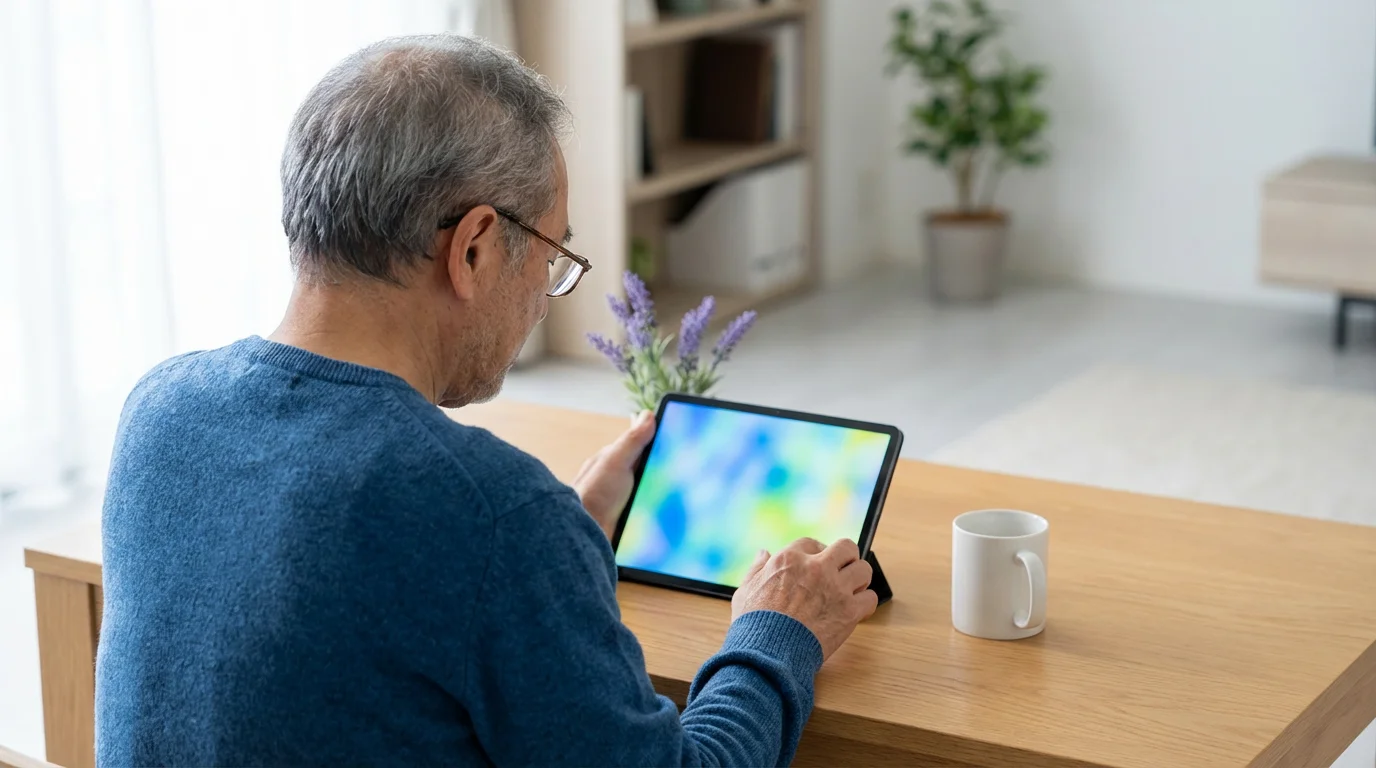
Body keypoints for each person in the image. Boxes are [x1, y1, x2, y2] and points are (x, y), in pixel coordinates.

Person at [96, 34, 877, 767]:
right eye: (553, 256)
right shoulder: (491, 516)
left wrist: (560, 538)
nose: (546, 296)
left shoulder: (161, 411)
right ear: (472, 247)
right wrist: (778, 632)